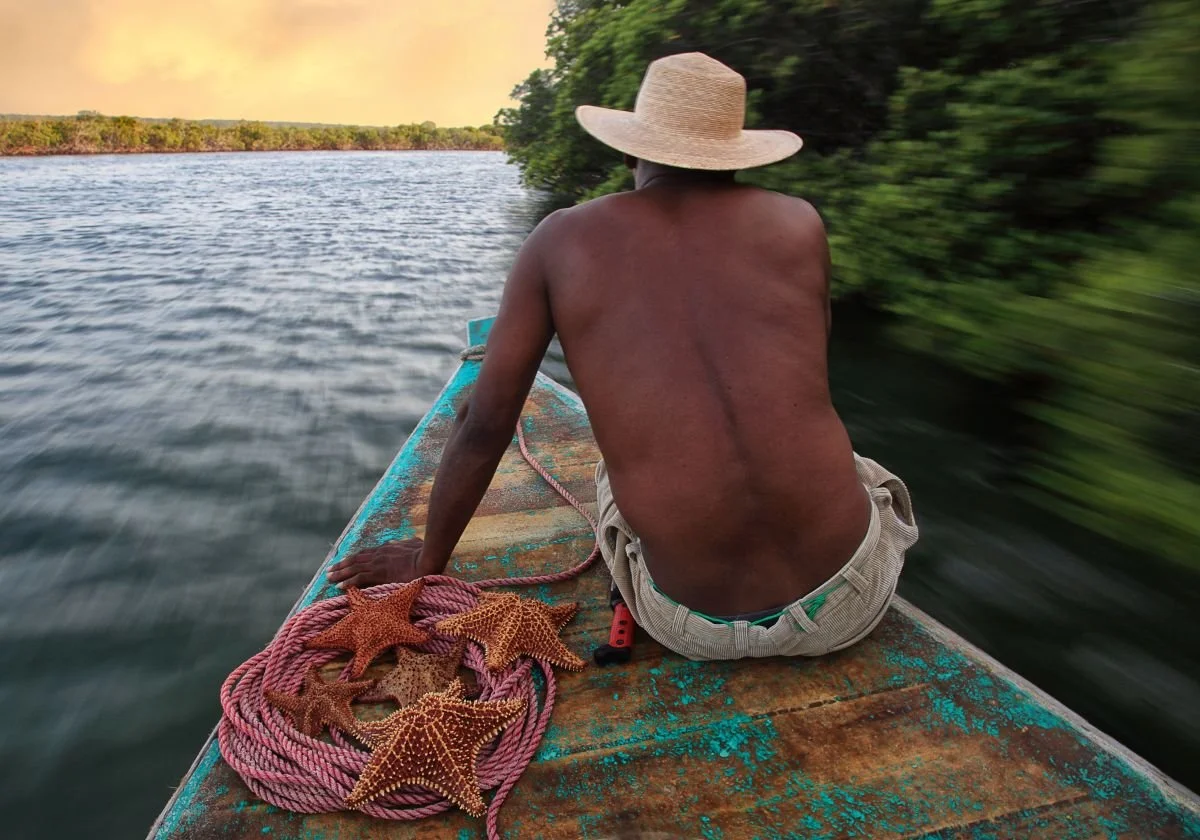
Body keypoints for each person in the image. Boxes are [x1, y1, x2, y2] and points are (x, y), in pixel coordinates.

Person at [328, 52, 918, 660]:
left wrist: (426, 560)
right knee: (849, 461)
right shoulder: (800, 223)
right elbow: (801, 376)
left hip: (694, 624)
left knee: (613, 469)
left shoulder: (559, 240)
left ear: (630, 152)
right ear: (736, 154)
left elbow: (484, 422)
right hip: (849, 603)